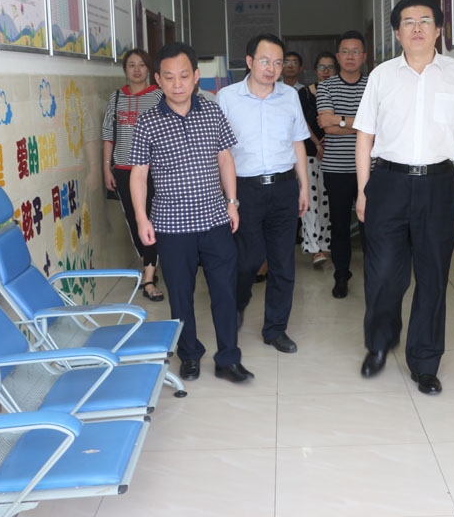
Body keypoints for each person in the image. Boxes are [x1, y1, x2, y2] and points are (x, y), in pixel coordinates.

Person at [353, 0, 454, 395]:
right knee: (384, 274)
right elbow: (364, 136)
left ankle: (426, 362)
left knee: (433, 276)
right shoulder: (381, 76)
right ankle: (379, 344)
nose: (416, 28)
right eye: (408, 22)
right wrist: (363, 190)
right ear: (397, 33)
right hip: (388, 183)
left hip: (438, 184)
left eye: (425, 21)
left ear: (438, 30)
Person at [128, 42, 253, 384]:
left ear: (196, 76)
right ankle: (190, 355)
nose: (177, 83)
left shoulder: (212, 112)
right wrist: (141, 218)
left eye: (184, 75)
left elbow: (225, 159)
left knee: (225, 292)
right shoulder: (148, 121)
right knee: (181, 296)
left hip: (214, 220)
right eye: (169, 77)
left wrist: (232, 202)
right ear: (158, 79)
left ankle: (228, 358)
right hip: (171, 226)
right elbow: (138, 173)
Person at [217, 33, 309, 354]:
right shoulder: (227, 97)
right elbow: (220, 151)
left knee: (283, 263)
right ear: (249, 61)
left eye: (278, 63)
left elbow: (298, 142)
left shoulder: (290, 96)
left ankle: (275, 329)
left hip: (284, 187)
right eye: (265, 61)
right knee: (247, 261)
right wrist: (227, 197)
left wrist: (304, 186)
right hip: (245, 189)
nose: (272, 68)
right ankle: (235, 308)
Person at [101, 48, 164, 301]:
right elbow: (108, 135)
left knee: (152, 219)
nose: (137, 70)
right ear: (125, 70)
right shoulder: (117, 98)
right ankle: (149, 262)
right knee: (134, 220)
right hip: (124, 170)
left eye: (141, 65)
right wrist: (106, 167)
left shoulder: (159, 96)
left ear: (149, 69)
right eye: (131, 65)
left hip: (154, 171)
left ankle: (148, 275)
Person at [316, 31, 369, 298]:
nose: (350, 56)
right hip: (336, 170)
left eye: (355, 51)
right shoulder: (326, 87)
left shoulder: (373, 85)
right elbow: (325, 124)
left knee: (370, 226)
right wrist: (362, 125)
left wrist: (340, 120)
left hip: (369, 170)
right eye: (345, 51)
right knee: (339, 226)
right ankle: (341, 275)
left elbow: (380, 126)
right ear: (338, 56)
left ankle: (373, 275)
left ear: (364, 57)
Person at [298, 52, 337, 266]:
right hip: (310, 152)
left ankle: (326, 244)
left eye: (330, 67)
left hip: (334, 152)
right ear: (315, 70)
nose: (325, 71)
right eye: (322, 67)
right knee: (311, 201)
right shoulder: (304, 93)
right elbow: (302, 122)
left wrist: (327, 141)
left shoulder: (338, 91)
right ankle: (313, 247)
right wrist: (317, 143)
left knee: (328, 201)